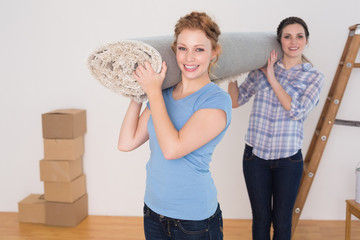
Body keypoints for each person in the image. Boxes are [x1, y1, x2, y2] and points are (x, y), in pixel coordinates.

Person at [118, 11, 232, 240]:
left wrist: (152, 91)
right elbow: (126, 142)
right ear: (175, 50)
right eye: (183, 48)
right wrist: (136, 93)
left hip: (193, 222)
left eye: (199, 49)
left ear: (214, 53)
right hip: (153, 211)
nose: (189, 58)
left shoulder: (216, 101)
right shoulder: (164, 94)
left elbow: (172, 149)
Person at [228, 16, 324, 240]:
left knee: (282, 221)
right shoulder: (260, 69)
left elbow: (297, 111)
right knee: (261, 220)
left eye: (299, 36)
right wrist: (231, 71)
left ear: (306, 41)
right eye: (287, 36)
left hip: (288, 160)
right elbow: (236, 100)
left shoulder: (313, 76)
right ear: (279, 41)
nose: (293, 41)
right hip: (255, 157)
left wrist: (272, 77)